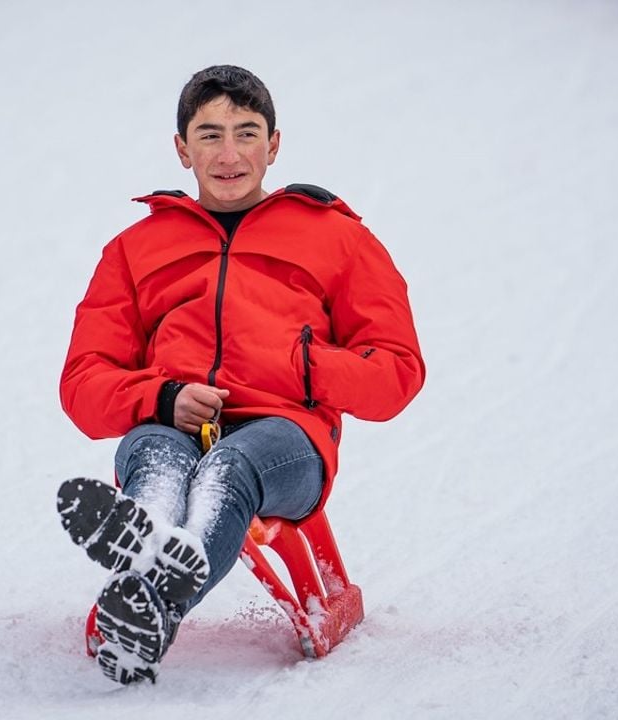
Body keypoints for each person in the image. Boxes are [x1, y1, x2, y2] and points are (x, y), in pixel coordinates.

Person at [56, 64, 425, 685]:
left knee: (229, 469)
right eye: (209, 135)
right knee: (156, 458)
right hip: (174, 423)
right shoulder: (135, 249)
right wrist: (163, 396)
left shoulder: (337, 238)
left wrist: (301, 367)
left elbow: (396, 372)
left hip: (286, 439)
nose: (229, 154)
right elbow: (83, 383)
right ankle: (146, 538)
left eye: (246, 133)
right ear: (182, 149)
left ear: (274, 144)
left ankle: (151, 593)